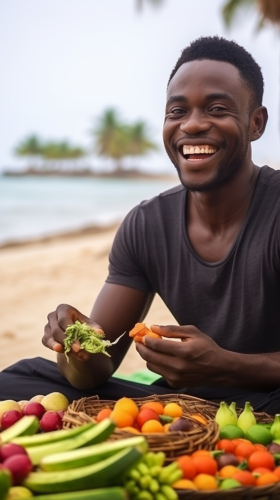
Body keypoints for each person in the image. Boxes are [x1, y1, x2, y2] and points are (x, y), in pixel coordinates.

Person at [2, 36, 280, 414]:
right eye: (177, 111)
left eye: (216, 109)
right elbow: (95, 373)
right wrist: (74, 345)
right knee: (21, 377)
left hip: (269, 396)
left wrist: (226, 366)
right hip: (192, 403)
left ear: (256, 123)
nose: (193, 125)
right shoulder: (146, 225)